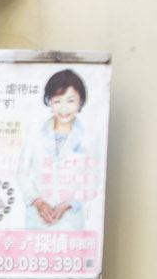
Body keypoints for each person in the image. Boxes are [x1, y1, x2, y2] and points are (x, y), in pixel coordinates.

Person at [18, 69, 101, 230]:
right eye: (57, 101)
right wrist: (38, 201)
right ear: (49, 101)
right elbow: (22, 172)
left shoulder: (90, 137)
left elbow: (94, 177)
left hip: (71, 221)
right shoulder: (35, 132)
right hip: (37, 220)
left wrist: (71, 203)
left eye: (70, 100)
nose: (64, 108)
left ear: (81, 101)